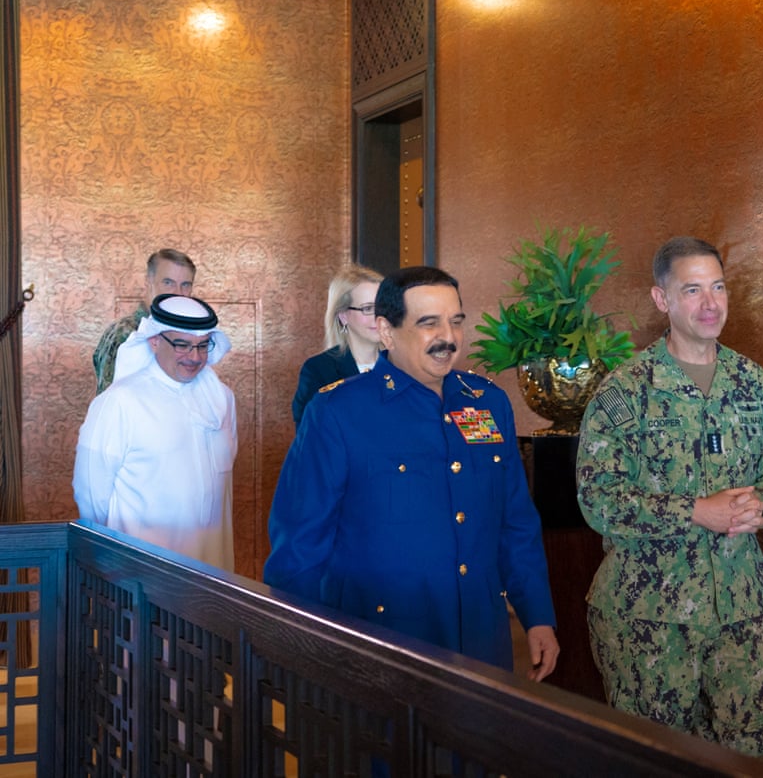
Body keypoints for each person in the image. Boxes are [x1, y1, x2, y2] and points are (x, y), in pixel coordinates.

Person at [264, 266, 560, 681]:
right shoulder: (338, 413)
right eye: (428, 323)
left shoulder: (487, 403)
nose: (449, 337)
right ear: (386, 330)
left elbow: (515, 522)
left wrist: (538, 617)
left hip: (479, 640)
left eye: (456, 321)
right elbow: (299, 543)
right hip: (379, 646)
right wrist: (306, 646)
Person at [575, 236, 763, 763]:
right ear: (662, 301)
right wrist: (698, 511)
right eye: (692, 289)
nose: (710, 303)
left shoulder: (753, 383)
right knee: (657, 759)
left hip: (742, 610)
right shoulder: (626, 391)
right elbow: (597, 497)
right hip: (649, 617)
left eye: (718, 287)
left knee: (754, 755)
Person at [74, 294, 237, 571]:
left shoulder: (221, 399)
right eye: (183, 345)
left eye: (202, 346)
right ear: (154, 341)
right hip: (140, 574)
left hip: (211, 572)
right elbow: (91, 497)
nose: (195, 357)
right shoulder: (120, 402)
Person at [93, 248, 196, 394]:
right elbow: (110, 398)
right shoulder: (125, 332)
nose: (178, 293)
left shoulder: (190, 334)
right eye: (168, 282)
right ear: (149, 282)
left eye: (185, 285)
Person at [291, 264, 384, 426]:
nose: (379, 317)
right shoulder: (319, 370)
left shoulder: (402, 365)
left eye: (383, 307)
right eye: (368, 308)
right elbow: (312, 437)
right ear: (343, 316)